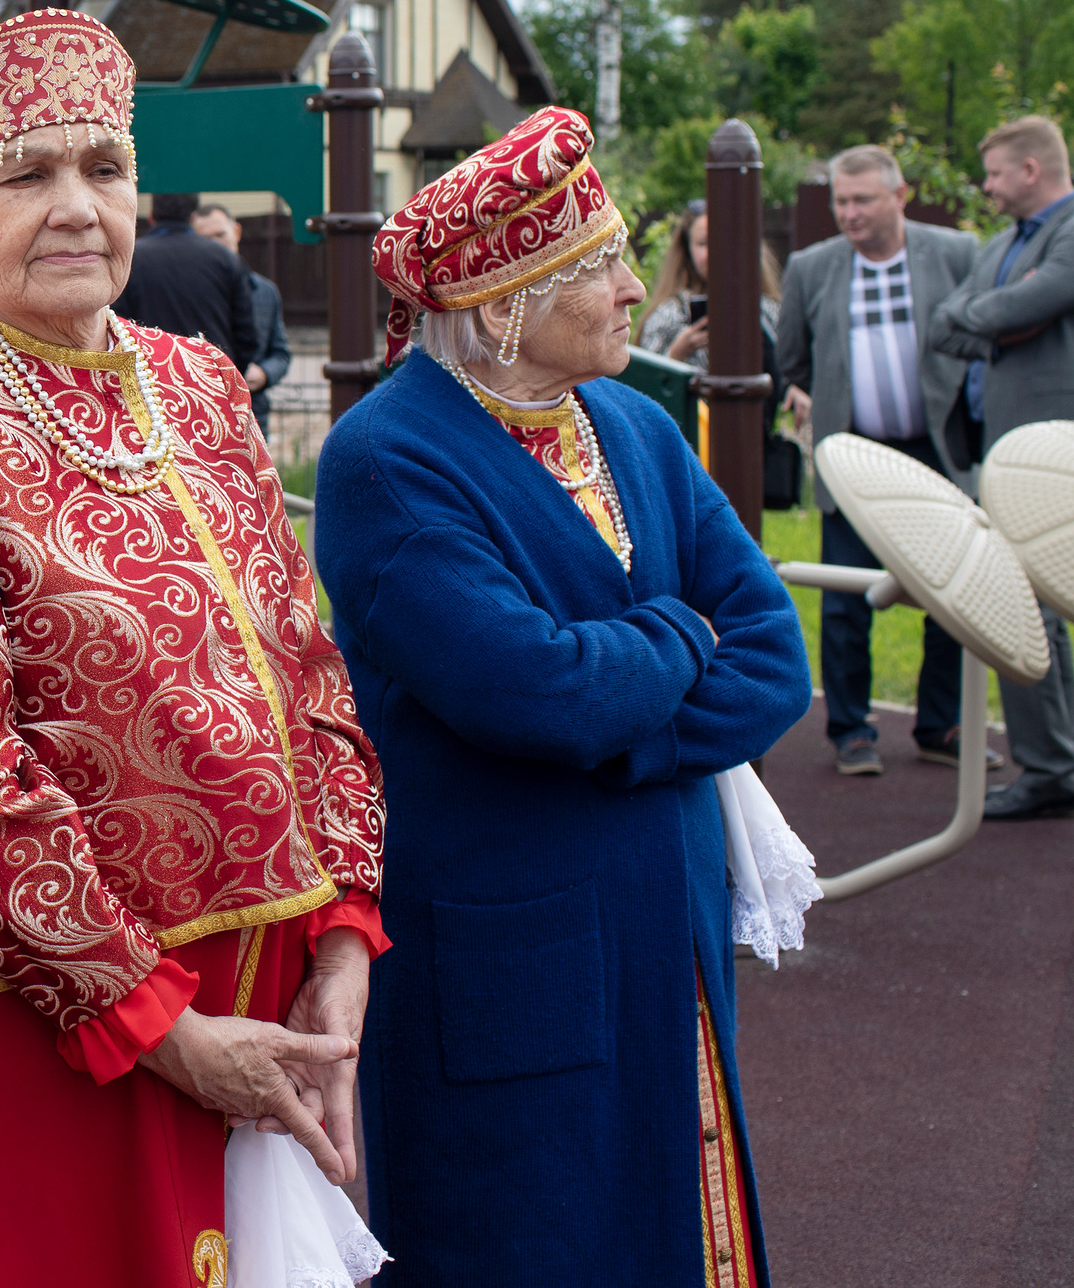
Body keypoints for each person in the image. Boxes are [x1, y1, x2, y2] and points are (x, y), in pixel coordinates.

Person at [0, 9, 389, 1288]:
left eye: (105, 168)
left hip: (276, 1001)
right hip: (52, 1034)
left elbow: (309, 675)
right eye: (27, 174)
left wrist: (345, 938)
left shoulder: (199, 386)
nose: (78, 206)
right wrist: (162, 1029)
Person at [314, 105, 813, 1286]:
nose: (637, 288)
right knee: (524, 1234)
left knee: (676, 1224)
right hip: (506, 952)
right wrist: (679, 636)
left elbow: (773, 658)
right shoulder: (386, 459)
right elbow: (537, 692)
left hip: (666, 931)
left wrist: (618, 709)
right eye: (601, 266)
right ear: (501, 304)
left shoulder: (634, 424)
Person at [926, 115, 1074, 822]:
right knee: (1028, 605)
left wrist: (1001, 312)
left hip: (1052, 453)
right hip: (1001, 449)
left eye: (995, 172)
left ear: (1032, 170)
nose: (986, 186)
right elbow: (944, 323)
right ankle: (1056, 761)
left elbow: (1024, 304)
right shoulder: (1007, 243)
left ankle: (1051, 765)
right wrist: (1003, 318)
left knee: (1031, 606)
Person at [775, 145, 982, 775]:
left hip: (935, 451)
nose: (849, 212)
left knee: (949, 593)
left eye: (863, 199)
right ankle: (851, 731)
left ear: (899, 196)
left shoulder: (956, 253)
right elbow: (792, 357)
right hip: (852, 456)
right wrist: (806, 395)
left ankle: (940, 725)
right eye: (841, 200)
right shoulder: (813, 267)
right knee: (846, 596)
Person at [112, 187, 259, 370]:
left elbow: (116, 326)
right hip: (212, 374)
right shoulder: (226, 258)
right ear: (193, 216)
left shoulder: (130, 259)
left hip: (150, 375)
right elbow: (246, 337)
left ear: (151, 216)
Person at [635, 196, 782, 363]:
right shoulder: (668, 316)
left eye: (725, 240)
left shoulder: (768, 311)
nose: (716, 251)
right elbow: (645, 375)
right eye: (704, 243)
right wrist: (676, 354)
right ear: (687, 249)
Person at [191, 201, 295, 438]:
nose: (215, 245)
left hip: (252, 411)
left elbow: (280, 353)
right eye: (206, 239)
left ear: (236, 232)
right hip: (201, 411)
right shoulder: (190, 292)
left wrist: (264, 373)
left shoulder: (264, 291)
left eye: (220, 235)